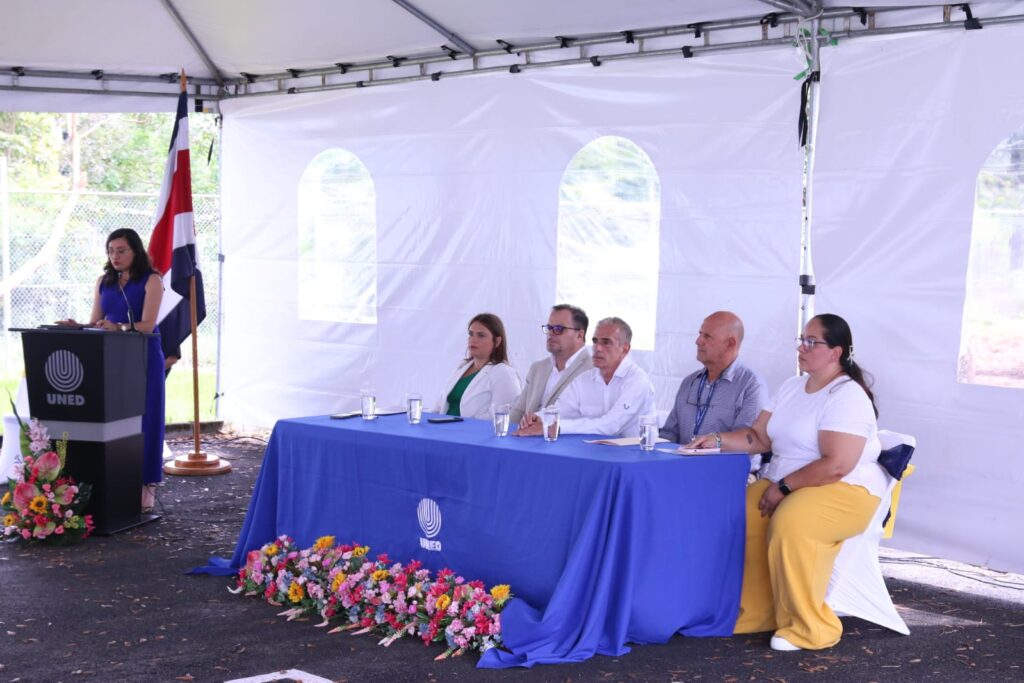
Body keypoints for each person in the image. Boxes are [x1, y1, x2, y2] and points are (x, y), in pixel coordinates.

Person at [689, 313, 885, 652]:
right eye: (801, 339)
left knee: (792, 523)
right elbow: (758, 438)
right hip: (788, 481)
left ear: (835, 352)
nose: (802, 347)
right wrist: (716, 440)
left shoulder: (847, 395)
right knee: (736, 516)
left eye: (812, 342)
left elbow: (837, 464)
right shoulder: (791, 386)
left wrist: (784, 488)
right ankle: (756, 614)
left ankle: (810, 627)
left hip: (844, 489)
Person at [57, 228, 165, 512]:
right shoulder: (104, 282)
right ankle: (115, 480)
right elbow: (97, 321)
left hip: (143, 357)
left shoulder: (152, 280)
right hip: (112, 359)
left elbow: (148, 324)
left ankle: (146, 484)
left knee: (146, 417)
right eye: (111, 251)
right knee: (116, 419)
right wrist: (77, 326)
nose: (114, 256)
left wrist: (121, 327)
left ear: (135, 251)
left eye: (121, 251)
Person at [516, 317, 654, 438]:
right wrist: (538, 418)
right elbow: (560, 410)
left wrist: (557, 427)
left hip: (634, 459)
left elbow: (612, 425)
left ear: (625, 349)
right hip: (592, 453)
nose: (598, 348)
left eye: (606, 342)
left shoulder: (637, 381)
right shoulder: (584, 379)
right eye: (595, 341)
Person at [509, 304, 593, 427]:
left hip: (565, 443)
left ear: (579, 335)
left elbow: (587, 422)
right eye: (549, 328)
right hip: (525, 441)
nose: (551, 334)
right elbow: (518, 412)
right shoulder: (538, 368)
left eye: (559, 329)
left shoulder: (593, 371)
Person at [434, 313, 521, 420]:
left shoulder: (503, 372)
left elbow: (500, 416)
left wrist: (461, 426)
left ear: (497, 341)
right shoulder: (462, 366)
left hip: (470, 434)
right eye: (471, 334)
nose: (473, 340)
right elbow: (439, 406)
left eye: (481, 335)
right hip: (441, 430)